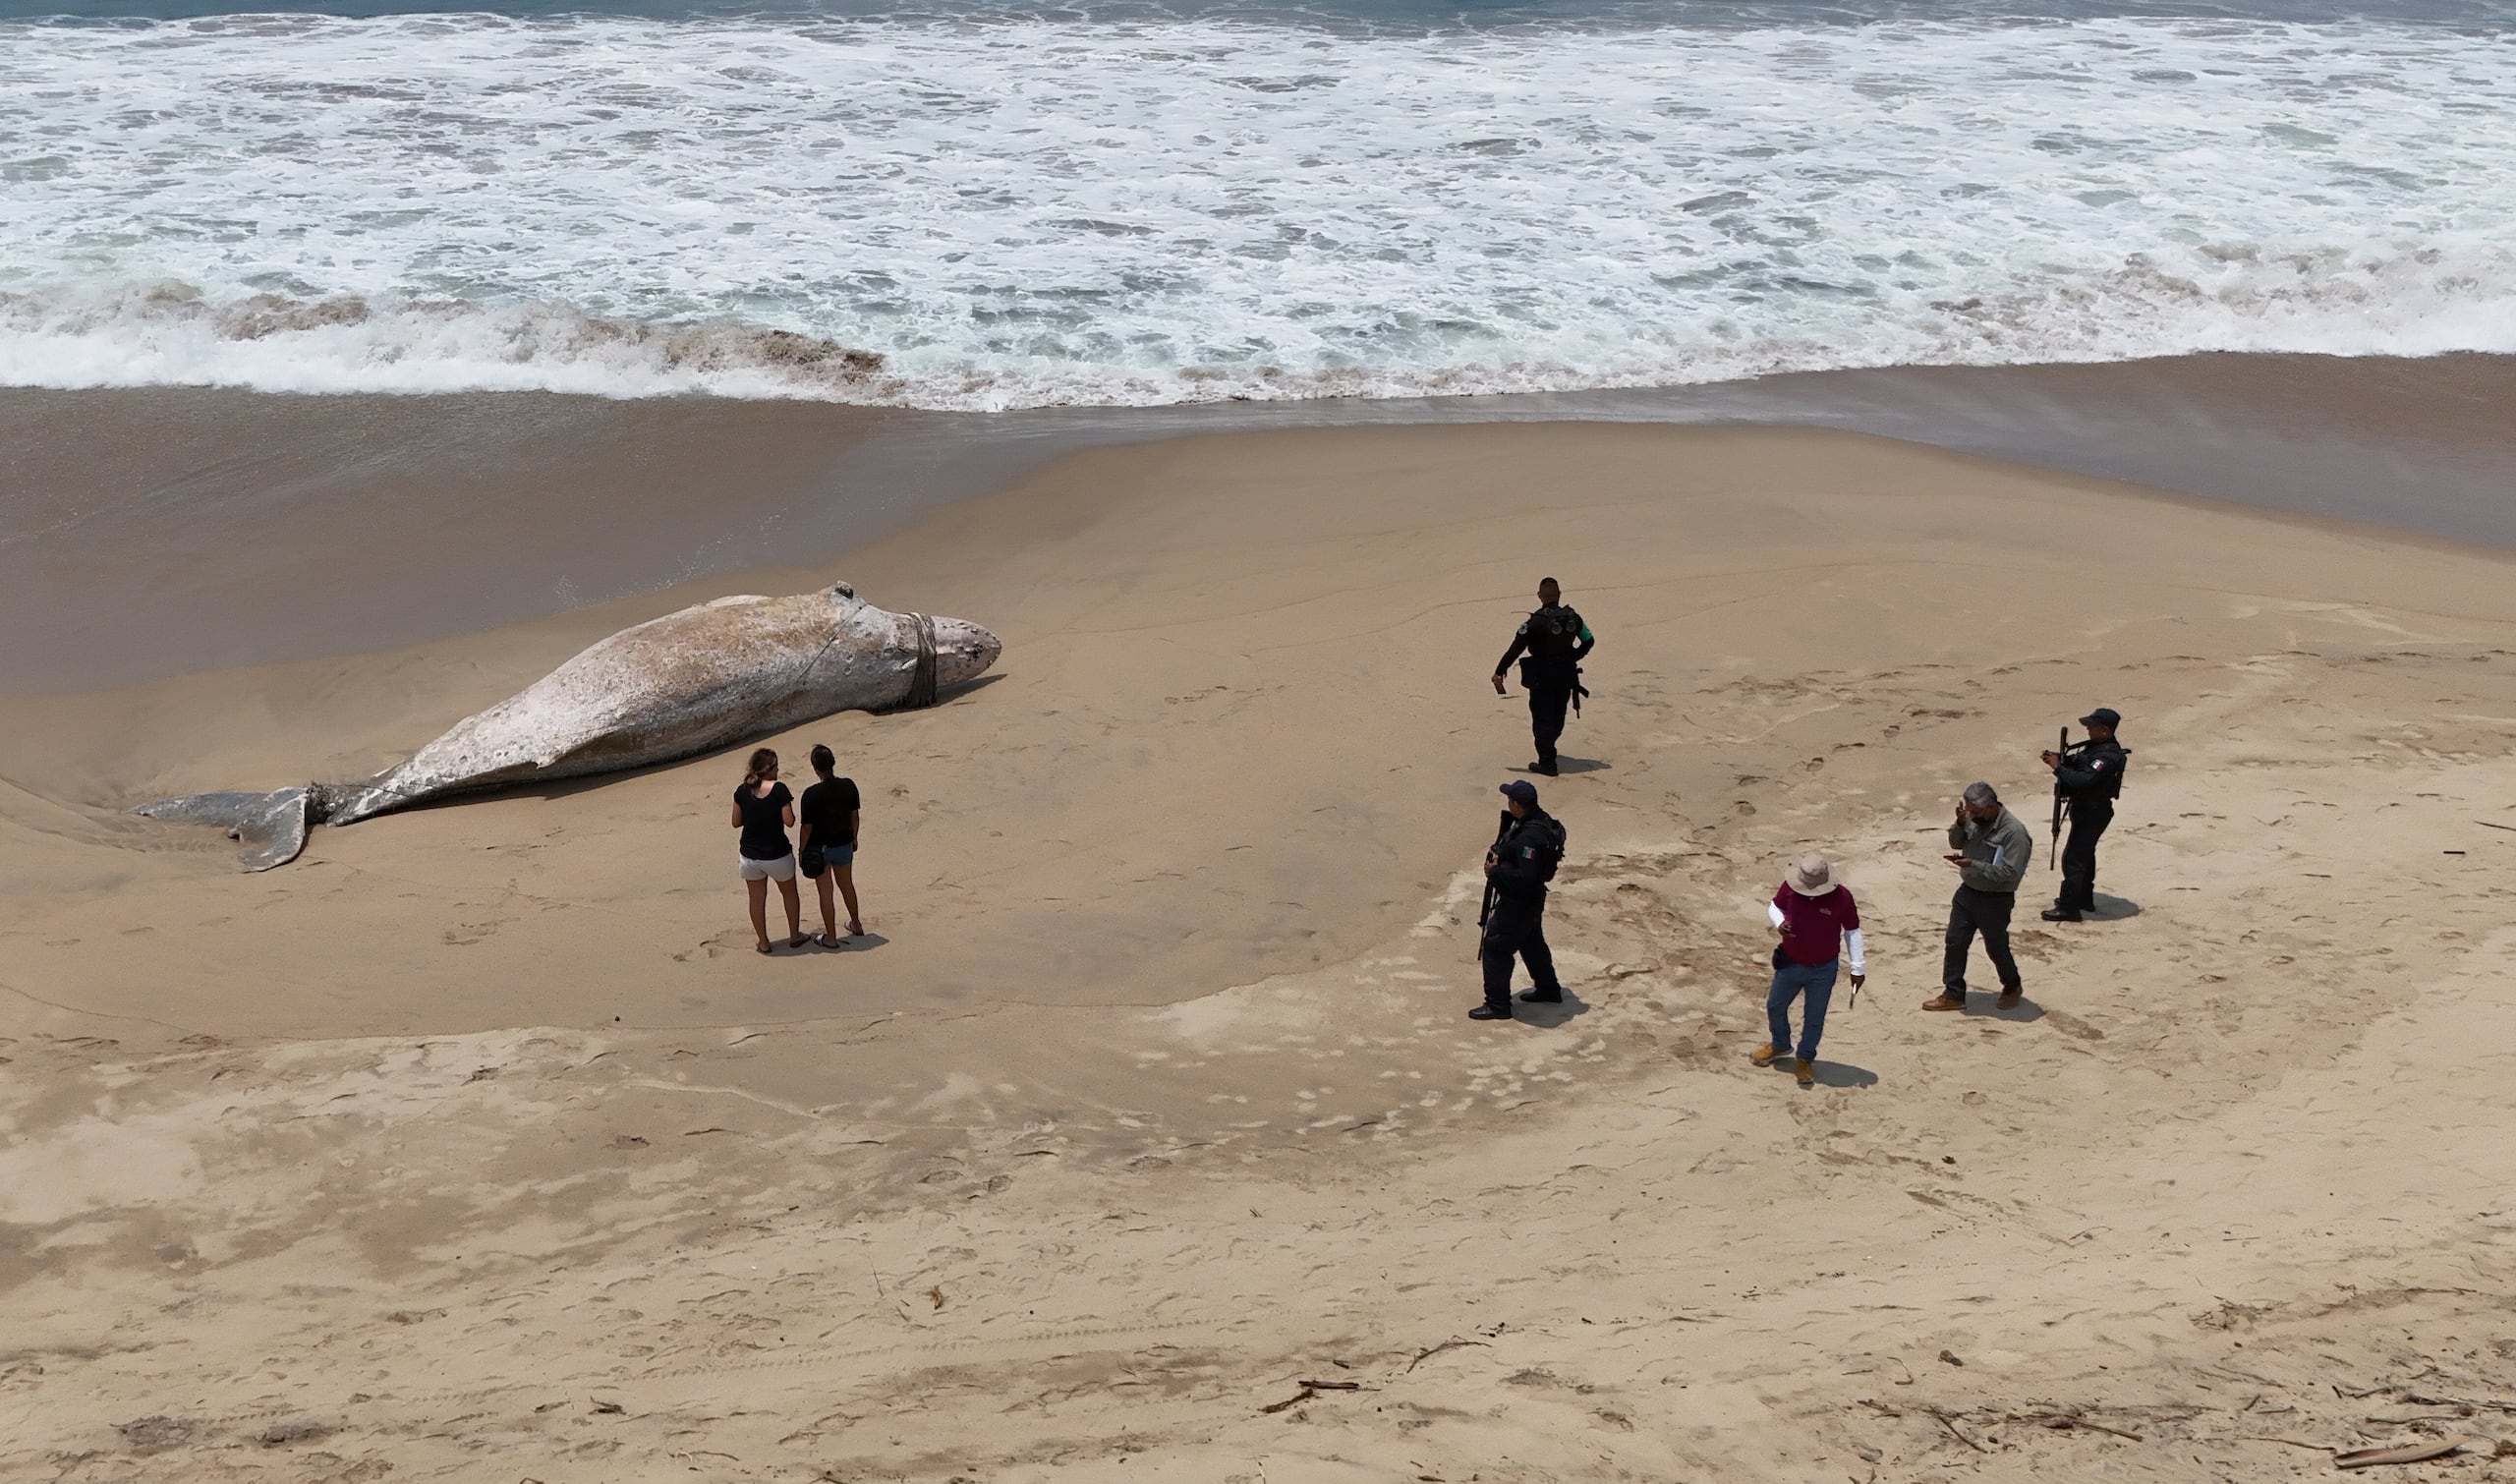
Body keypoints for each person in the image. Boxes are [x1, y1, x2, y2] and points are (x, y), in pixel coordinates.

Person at [1754, 853, 1866, 1088]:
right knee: (1775, 1005)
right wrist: (1779, 924)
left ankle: (1805, 1058)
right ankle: (1780, 1043)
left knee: (1814, 1018)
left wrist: (1857, 967)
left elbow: (1852, 931)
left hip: (1823, 969)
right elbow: (1775, 906)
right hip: (1791, 962)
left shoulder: (1842, 897)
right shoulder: (1789, 888)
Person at [1926, 782, 2032, 1011]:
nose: (1972, 815)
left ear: (1991, 806)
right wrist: (1960, 823)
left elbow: (2010, 872)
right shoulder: (1973, 819)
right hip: (1967, 893)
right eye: (1969, 811)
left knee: (1995, 946)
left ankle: (2012, 985)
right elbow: (1956, 842)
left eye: (1975, 812)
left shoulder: (2014, 833)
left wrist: (1973, 864)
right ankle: (1953, 993)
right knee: (1955, 941)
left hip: (1995, 899)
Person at [1472, 779, 1569, 1021]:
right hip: (1531, 902)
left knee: (1496, 947)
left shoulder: (1529, 838)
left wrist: (1495, 872)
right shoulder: (1539, 819)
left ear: (1516, 804)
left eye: (1509, 799)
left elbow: (1526, 877)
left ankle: (1497, 1005)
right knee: (1531, 942)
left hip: (1519, 902)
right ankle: (1548, 989)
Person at [1490, 577, 1594, 776]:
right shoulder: (1573, 618)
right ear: (1559, 595)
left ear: (1539, 596)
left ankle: (1547, 762)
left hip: (1542, 677)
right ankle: (1550, 747)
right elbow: (1589, 640)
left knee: (1541, 719)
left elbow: (1515, 649)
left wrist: (1500, 671)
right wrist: (1573, 656)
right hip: (1566, 674)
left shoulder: (1535, 622)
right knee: (1558, 713)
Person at [2040, 707, 2130, 923]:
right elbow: (2081, 763)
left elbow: (2085, 780)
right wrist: (2060, 759)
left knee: (2073, 859)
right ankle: (2083, 898)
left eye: (2092, 727)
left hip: (2094, 811)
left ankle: (2069, 908)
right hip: (2087, 809)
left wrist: (2058, 768)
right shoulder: (2096, 748)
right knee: (2085, 855)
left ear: (2105, 730)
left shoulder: (2108, 757)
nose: (2088, 730)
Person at [730, 747, 805, 955]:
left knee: (756, 899)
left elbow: (736, 822)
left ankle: (763, 942)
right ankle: (794, 935)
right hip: (776, 853)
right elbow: (789, 821)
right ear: (768, 769)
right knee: (789, 893)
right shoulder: (779, 789)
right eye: (776, 766)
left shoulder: (742, 790)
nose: (778, 769)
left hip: (750, 856)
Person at [796, 743, 864, 947]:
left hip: (820, 849)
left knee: (826, 893)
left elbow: (806, 828)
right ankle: (856, 924)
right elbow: (855, 816)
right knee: (847, 886)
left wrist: (801, 850)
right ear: (832, 763)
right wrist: (854, 837)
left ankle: (831, 938)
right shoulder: (849, 786)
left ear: (815, 768)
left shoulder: (810, 794)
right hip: (844, 843)